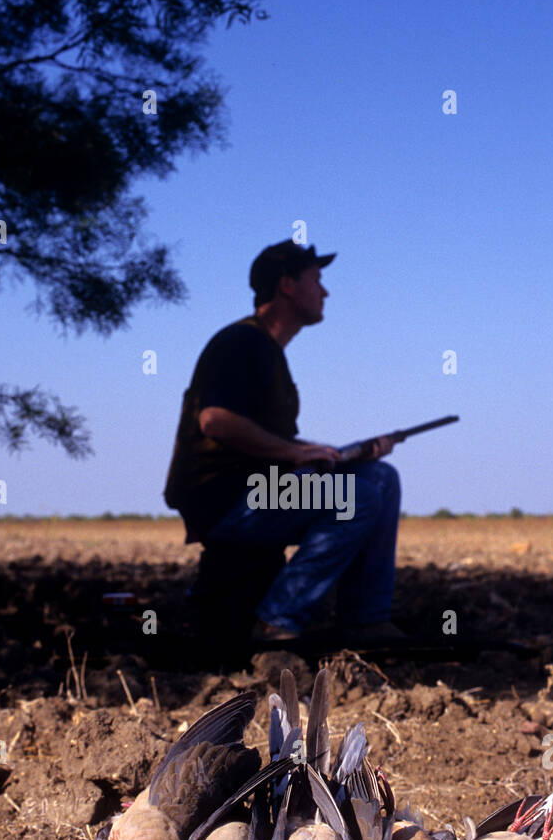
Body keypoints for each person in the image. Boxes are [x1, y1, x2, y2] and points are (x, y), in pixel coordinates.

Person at [164, 239, 405, 643]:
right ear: (287, 286)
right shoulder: (242, 342)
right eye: (317, 279)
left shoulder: (268, 350)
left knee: (380, 476)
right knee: (358, 496)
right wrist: (296, 452)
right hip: (227, 500)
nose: (325, 291)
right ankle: (277, 622)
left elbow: (267, 442)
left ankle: (366, 620)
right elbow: (216, 421)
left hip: (260, 491)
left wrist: (333, 455)